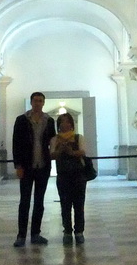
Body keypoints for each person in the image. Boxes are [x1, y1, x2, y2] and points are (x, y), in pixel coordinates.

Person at [11, 91, 56, 246]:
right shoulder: (22, 120)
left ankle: (36, 234)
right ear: (31, 102)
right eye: (35, 100)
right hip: (27, 165)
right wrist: (18, 165)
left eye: (40, 101)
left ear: (44, 103)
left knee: (39, 201)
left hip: (43, 165)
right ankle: (21, 235)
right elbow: (16, 143)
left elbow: (53, 141)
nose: (38, 103)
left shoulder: (49, 121)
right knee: (24, 201)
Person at [50, 111, 88, 245]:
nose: (64, 124)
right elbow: (51, 155)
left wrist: (71, 152)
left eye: (67, 122)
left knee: (79, 204)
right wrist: (60, 151)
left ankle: (79, 231)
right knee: (65, 204)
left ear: (71, 124)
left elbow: (83, 151)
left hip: (78, 174)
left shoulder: (78, 137)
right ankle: (67, 231)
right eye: (61, 122)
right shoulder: (55, 139)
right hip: (63, 175)